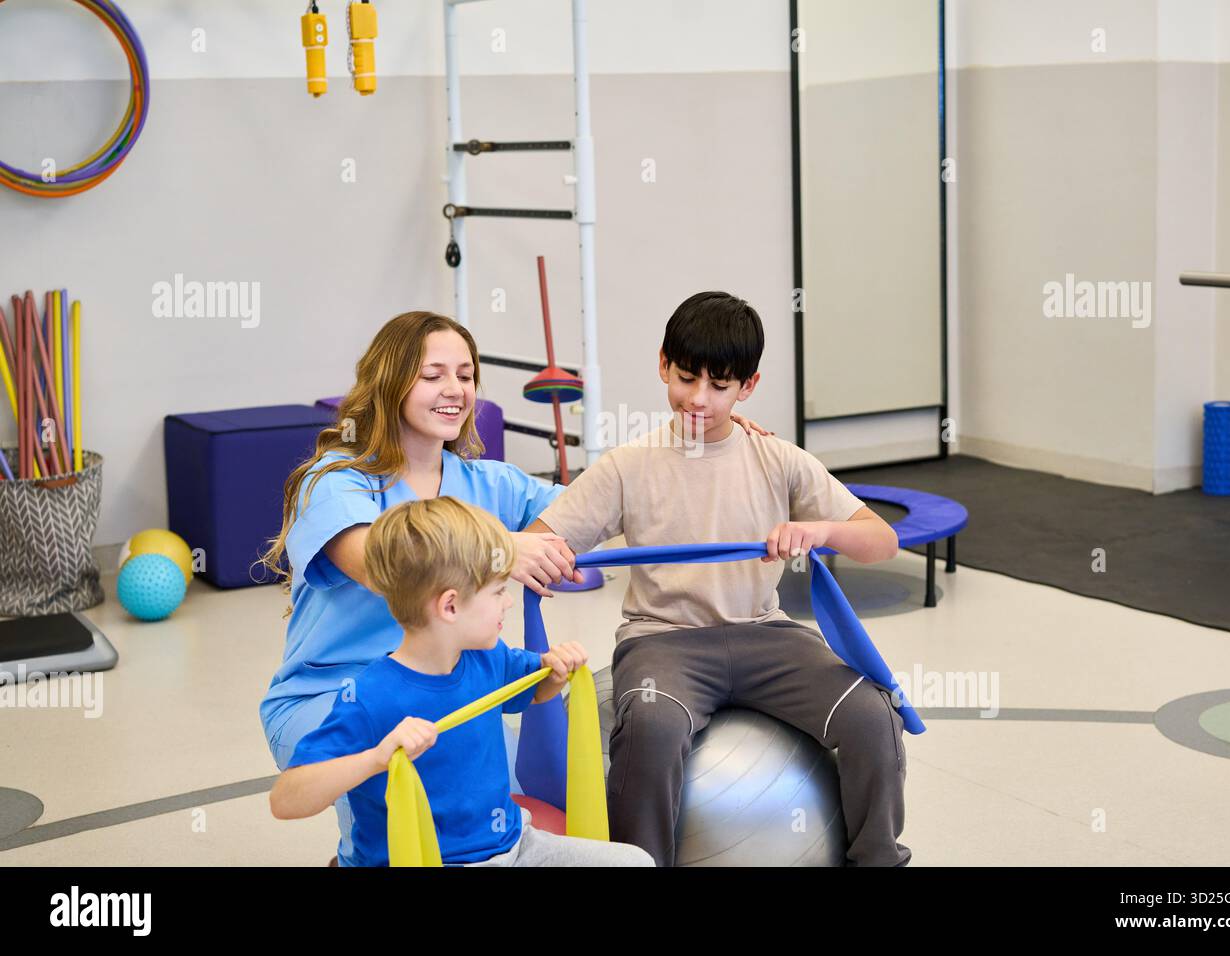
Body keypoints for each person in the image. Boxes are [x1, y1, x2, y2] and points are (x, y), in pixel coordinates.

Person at [257, 310, 767, 864]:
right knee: (402, 825)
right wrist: (504, 550)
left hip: (451, 686)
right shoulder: (337, 479)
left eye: (466, 375)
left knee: (498, 811)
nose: (454, 389)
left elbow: (613, 502)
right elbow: (379, 562)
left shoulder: (487, 482)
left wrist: (718, 440)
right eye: (433, 375)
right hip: (336, 695)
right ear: (390, 380)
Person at [526, 291, 911, 866]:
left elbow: (882, 540)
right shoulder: (626, 465)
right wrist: (548, 559)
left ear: (748, 387)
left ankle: (876, 862)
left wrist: (820, 531)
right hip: (662, 642)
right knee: (650, 729)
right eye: (685, 378)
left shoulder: (776, 457)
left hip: (767, 635)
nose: (699, 400)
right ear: (663, 364)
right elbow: (539, 542)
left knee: (872, 716)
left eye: (720, 386)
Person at [269, 496, 653, 867]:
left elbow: (534, 690)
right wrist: (375, 758)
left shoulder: (488, 657)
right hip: (428, 859)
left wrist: (555, 671)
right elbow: (286, 801)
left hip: (513, 847)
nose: (507, 603)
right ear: (450, 606)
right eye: (499, 591)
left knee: (635, 862)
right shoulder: (370, 697)